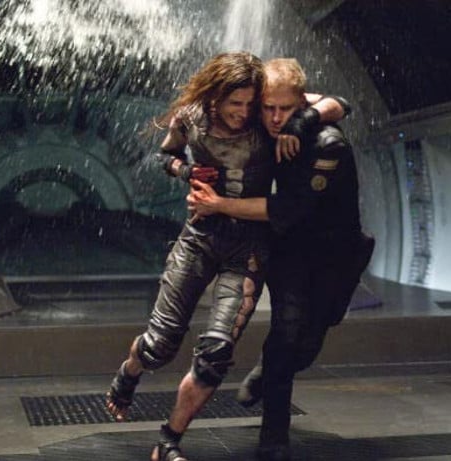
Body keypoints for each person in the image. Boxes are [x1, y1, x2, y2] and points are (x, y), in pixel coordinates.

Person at [104, 51, 349, 461]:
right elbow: (165, 156)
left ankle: (168, 441)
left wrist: (301, 122)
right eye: (236, 103)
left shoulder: (267, 119)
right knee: (159, 347)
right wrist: (185, 172)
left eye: (251, 104)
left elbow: (338, 104)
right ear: (215, 97)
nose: (245, 112)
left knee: (216, 354)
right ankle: (130, 371)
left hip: (249, 247)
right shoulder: (191, 117)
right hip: (199, 239)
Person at [187, 58, 374, 461]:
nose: (274, 118)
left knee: (311, 339)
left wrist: (220, 204)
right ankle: (274, 435)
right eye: (267, 108)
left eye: (285, 109)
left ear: (301, 103)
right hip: (290, 247)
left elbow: (289, 206)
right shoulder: (260, 121)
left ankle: (268, 371)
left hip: (334, 252)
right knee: (286, 333)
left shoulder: (327, 144)